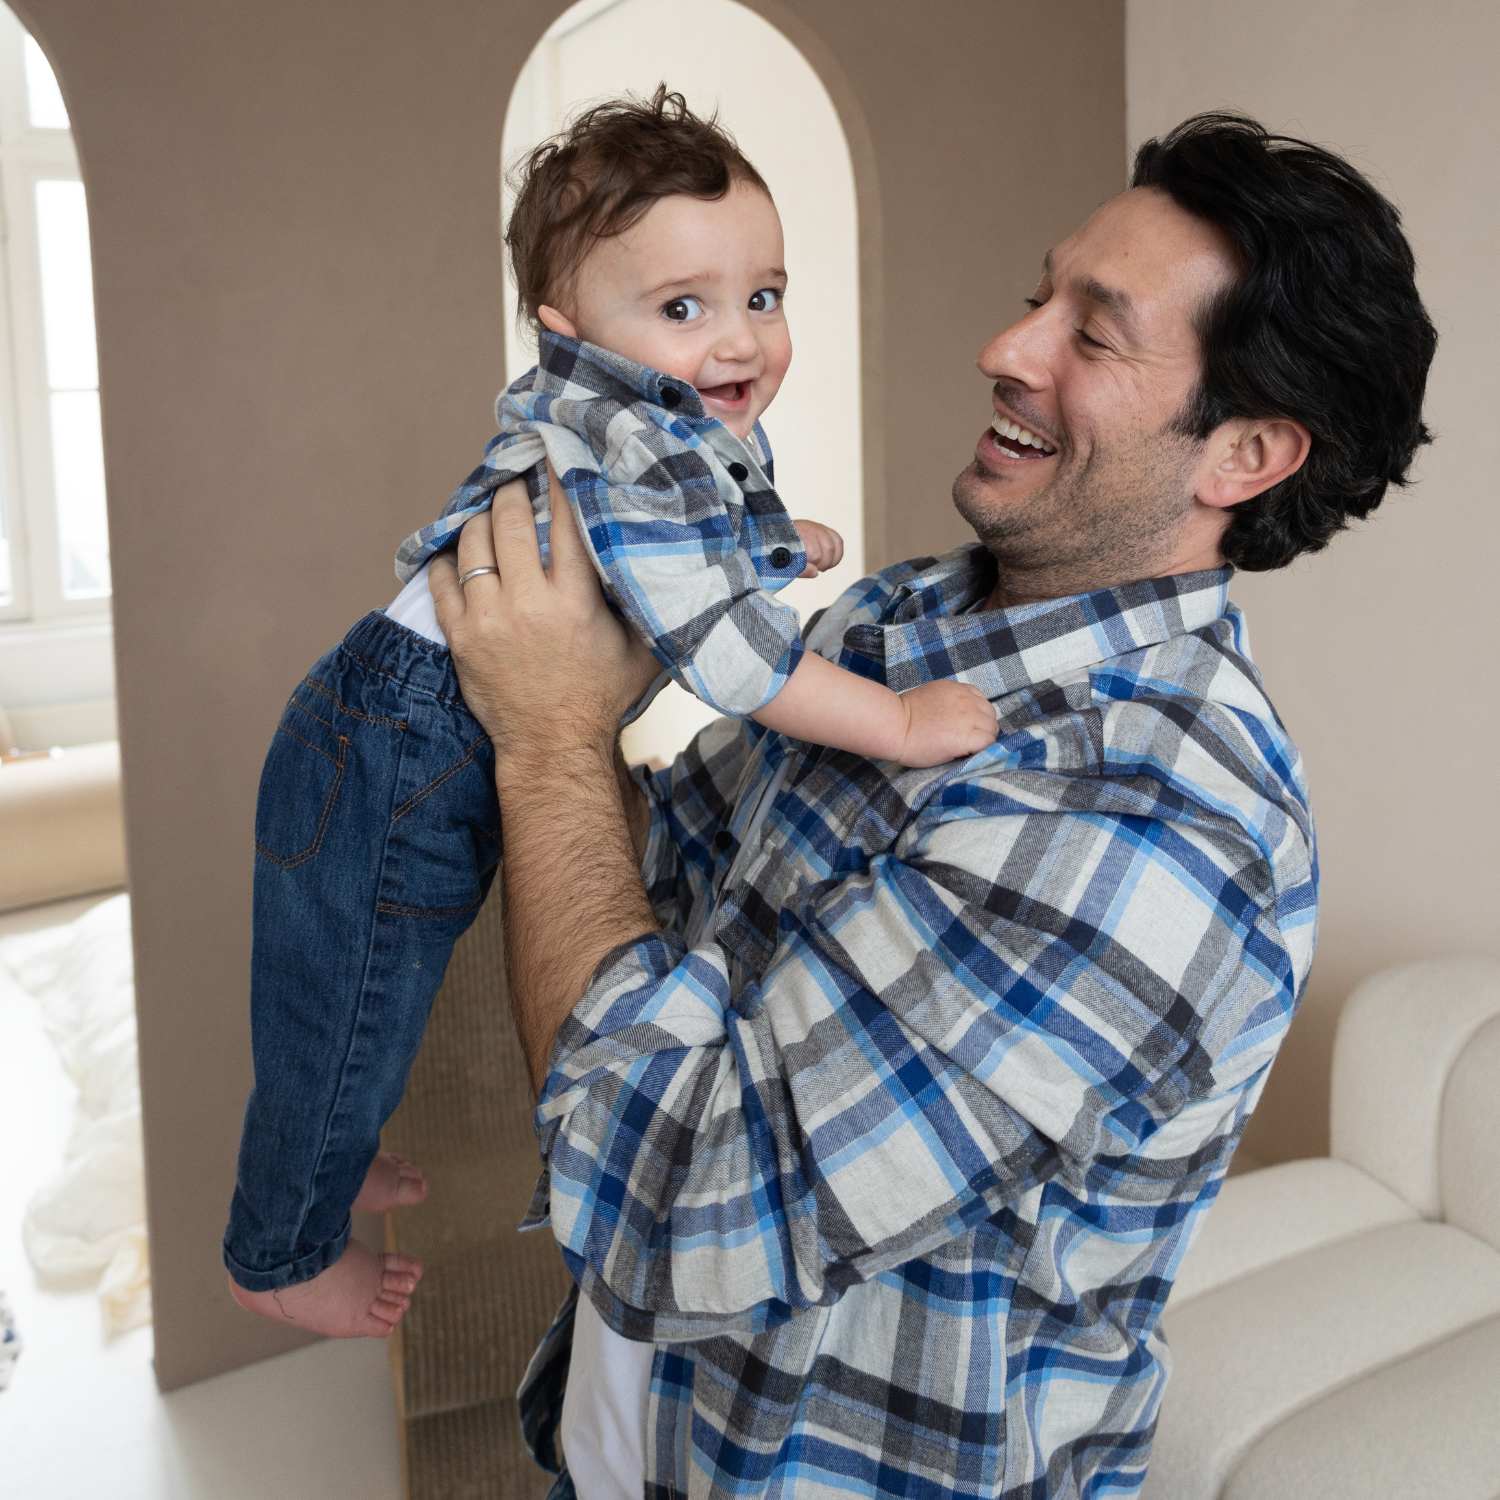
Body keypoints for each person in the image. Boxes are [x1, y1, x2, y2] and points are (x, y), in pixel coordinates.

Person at [429, 113, 1437, 1499]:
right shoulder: (907, 612)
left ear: (1246, 455)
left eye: (1093, 333)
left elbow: (667, 1210)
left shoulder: (1146, 829)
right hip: (631, 1446)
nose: (1007, 347)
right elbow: (657, 878)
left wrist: (549, 738)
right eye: (1042, 295)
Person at [223, 89, 994, 1339]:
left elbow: (655, 550)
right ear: (568, 328)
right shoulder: (630, 433)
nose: (740, 339)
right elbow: (727, 657)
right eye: (682, 308)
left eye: (765, 294)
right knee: (350, 994)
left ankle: (332, 1139)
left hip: (433, 726)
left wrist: (759, 535)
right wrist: (896, 727)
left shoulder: (653, 414)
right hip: (397, 735)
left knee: (375, 993)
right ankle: (281, 1247)